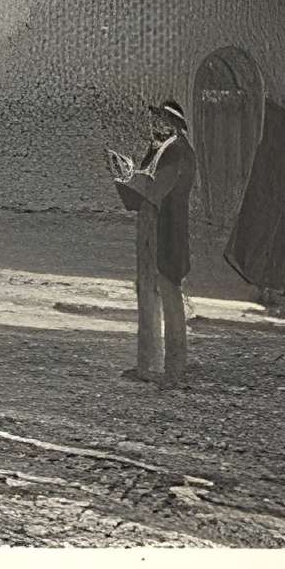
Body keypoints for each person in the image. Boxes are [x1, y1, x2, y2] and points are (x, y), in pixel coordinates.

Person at [109, 100, 197, 385]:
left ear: (173, 125)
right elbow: (141, 197)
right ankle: (147, 366)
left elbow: (155, 191)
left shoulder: (179, 152)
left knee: (169, 296)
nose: (154, 125)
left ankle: (173, 369)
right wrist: (123, 177)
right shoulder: (157, 150)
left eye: (160, 121)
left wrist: (130, 177)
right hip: (149, 225)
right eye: (154, 120)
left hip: (168, 230)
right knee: (146, 291)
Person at [225, 98, 285, 303]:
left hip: (275, 212)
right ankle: (268, 288)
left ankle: (270, 288)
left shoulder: (271, 151)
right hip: (271, 212)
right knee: (271, 248)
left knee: (277, 249)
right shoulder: (276, 152)